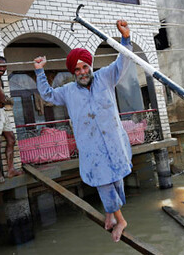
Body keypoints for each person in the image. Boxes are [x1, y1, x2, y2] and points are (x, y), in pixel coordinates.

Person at [33, 20, 133, 242]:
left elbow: (123, 61)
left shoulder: (106, 77)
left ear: (90, 66)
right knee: (103, 180)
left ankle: (110, 213)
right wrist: (40, 71)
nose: (82, 72)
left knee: (116, 179)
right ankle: (120, 219)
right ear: (73, 72)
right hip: (92, 147)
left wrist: (125, 38)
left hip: (114, 141)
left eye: (84, 67)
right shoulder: (68, 91)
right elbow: (48, 95)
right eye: (77, 69)